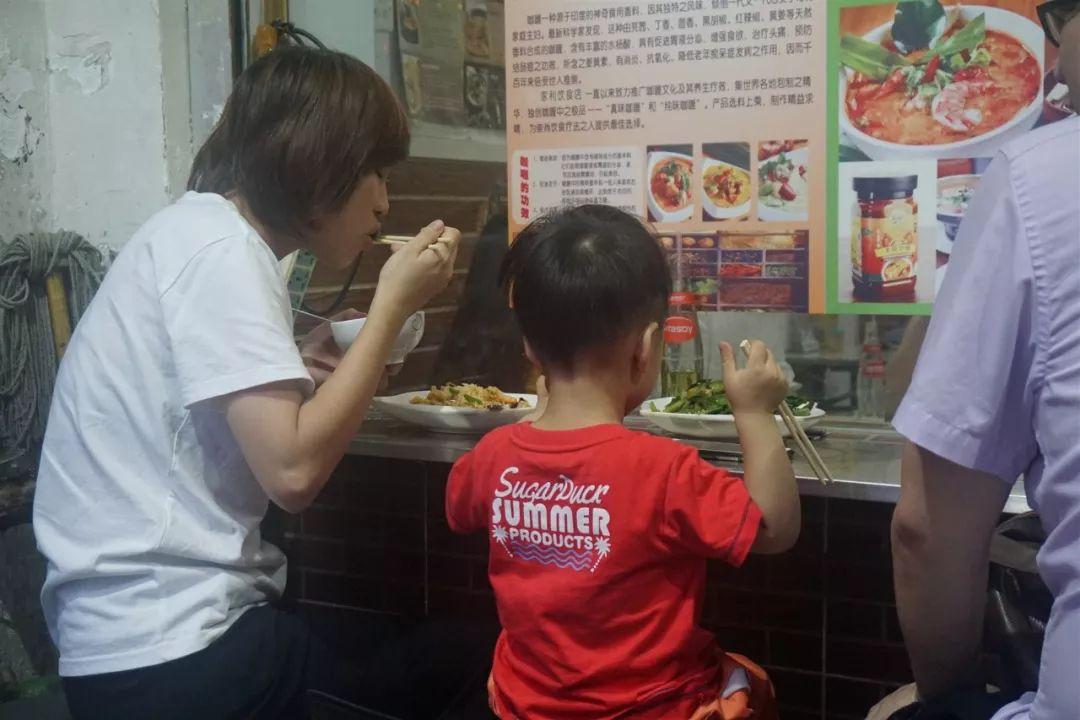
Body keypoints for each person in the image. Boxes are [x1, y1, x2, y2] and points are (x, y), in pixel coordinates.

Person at [32, 48, 460, 718]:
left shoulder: (197, 231)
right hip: (175, 654)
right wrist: (390, 310)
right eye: (375, 172)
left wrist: (301, 360)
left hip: (134, 646)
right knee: (469, 665)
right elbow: (292, 473)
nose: (384, 199)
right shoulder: (222, 251)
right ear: (319, 162)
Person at [444, 205, 800, 719]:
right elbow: (774, 529)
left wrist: (540, 415)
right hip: (655, 709)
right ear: (646, 348)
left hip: (524, 707)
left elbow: (458, 507)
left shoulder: (494, 456)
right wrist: (755, 413)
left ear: (530, 349)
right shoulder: (663, 469)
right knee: (752, 684)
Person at [888, 4, 1080, 718]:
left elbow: (927, 527)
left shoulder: (1039, 173)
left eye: (1059, 20)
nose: (1054, 60)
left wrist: (944, 698)